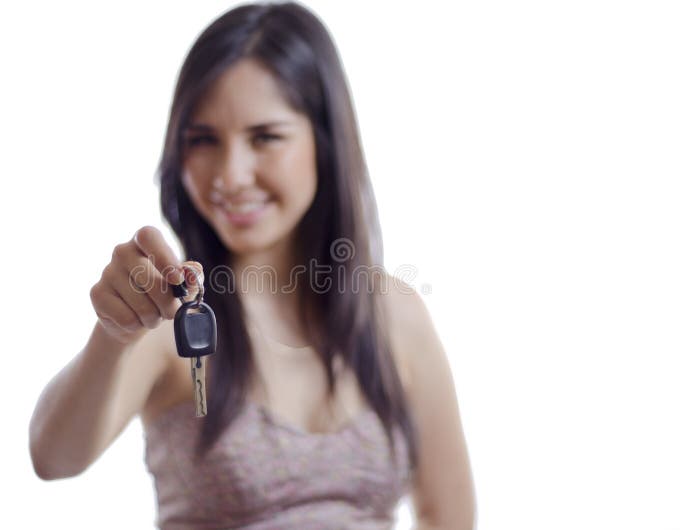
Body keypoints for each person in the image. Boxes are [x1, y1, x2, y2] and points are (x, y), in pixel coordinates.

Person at [28, 2, 476, 528]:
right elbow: (53, 458)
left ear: (324, 142)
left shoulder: (395, 313)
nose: (231, 175)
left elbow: (449, 517)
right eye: (203, 140)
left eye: (265, 137)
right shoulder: (167, 312)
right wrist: (113, 334)